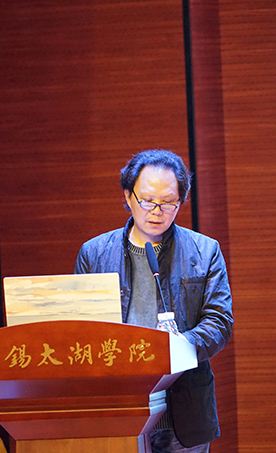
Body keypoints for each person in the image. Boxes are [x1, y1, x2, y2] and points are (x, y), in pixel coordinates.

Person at [74, 149, 233, 453]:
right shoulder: (93, 254)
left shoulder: (205, 251)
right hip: (118, 405)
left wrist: (179, 346)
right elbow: (81, 329)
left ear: (180, 201)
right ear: (128, 196)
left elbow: (219, 321)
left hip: (184, 407)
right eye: (147, 200)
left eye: (168, 202)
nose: (157, 211)